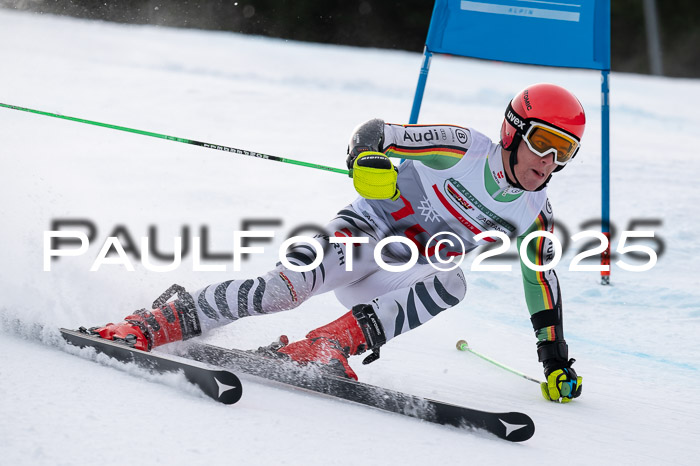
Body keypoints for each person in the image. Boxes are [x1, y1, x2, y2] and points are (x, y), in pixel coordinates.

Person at [93, 83, 584, 403]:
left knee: (452, 283)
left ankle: (325, 347)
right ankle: (156, 321)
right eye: (543, 142)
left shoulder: (533, 213)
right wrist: (366, 160)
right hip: (363, 232)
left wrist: (555, 360)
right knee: (281, 292)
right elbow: (377, 133)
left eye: (565, 152)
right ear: (513, 131)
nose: (548, 161)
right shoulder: (460, 147)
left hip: (399, 273)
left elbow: (541, 282)